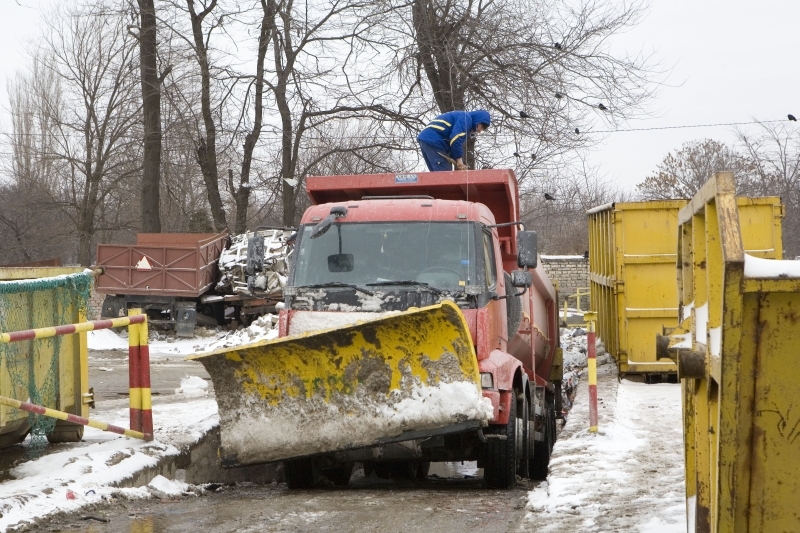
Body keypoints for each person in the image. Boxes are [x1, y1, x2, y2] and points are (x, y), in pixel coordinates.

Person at [417, 110, 491, 171]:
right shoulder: (466, 119)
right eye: (481, 127)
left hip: (426, 140)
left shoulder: (462, 117)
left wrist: (457, 162)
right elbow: (455, 138)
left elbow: (452, 143)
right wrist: (459, 159)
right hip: (434, 141)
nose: (479, 131)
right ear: (478, 121)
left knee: (437, 177)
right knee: (446, 177)